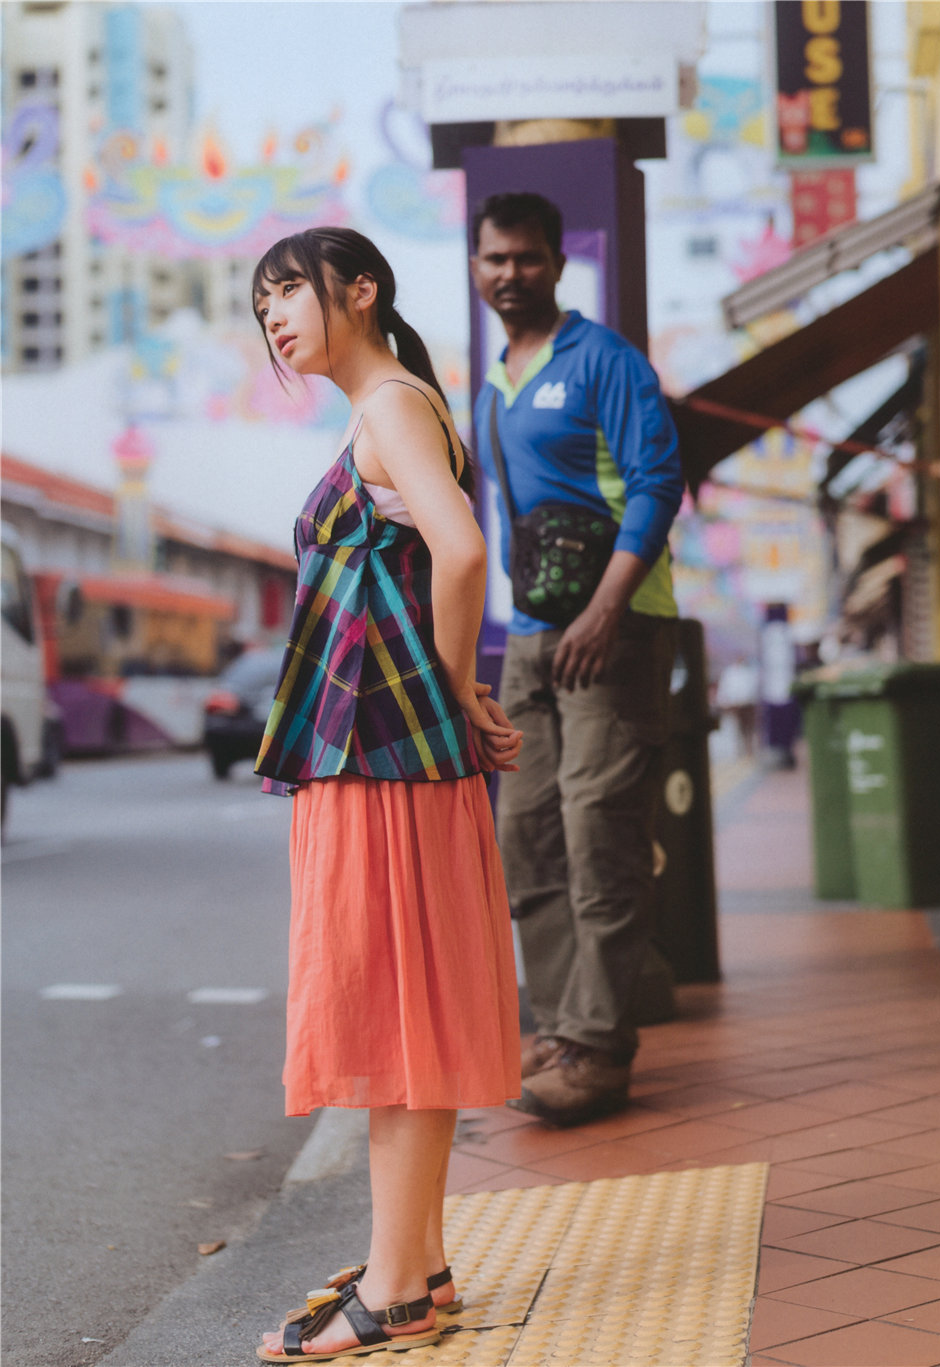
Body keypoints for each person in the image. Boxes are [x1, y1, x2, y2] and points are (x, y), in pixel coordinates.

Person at [251, 227, 523, 1362]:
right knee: (401, 1015)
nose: (272, 314)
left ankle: (400, 1287)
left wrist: (454, 689)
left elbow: (462, 553)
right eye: (259, 300)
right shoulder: (395, 404)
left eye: (289, 291)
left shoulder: (393, 405)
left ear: (360, 291)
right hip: (385, 759)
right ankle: (414, 1261)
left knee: (395, 1021)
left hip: (386, 760)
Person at [470, 192, 684, 1127]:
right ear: (478, 267)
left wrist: (607, 608)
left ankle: (598, 1047)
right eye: (493, 259)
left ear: (558, 262)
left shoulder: (605, 361)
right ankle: (559, 1024)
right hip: (530, 633)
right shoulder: (494, 384)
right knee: (528, 833)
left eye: (525, 258)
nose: (508, 274)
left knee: (600, 825)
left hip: (618, 626)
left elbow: (656, 480)